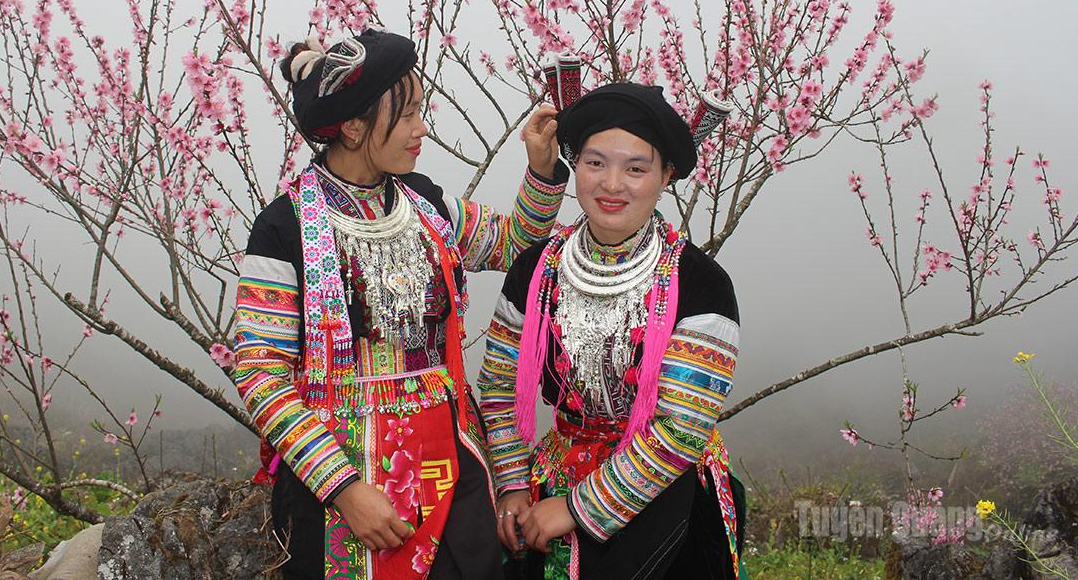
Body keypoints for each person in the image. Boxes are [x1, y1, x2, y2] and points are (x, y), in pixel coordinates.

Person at [233, 29, 568, 580]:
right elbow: (261, 375)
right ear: (353, 125)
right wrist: (343, 490)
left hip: (452, 461)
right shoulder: (282, 229)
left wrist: (540, 169)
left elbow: (515, 244)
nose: (421, 128)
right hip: (344, 474)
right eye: (408, 114)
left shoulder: (425, 203)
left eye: (420, 110)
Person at [478, 83, 746, 580]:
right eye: (595, 163)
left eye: (636, 168)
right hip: (551, 481)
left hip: (668, 494)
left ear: (666, 175)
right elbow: (497, 387)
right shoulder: (535, 269)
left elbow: (680, 430)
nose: (612, 184)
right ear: (574, 164)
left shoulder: (702, 285)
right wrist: (513, 483)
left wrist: (576, 510)